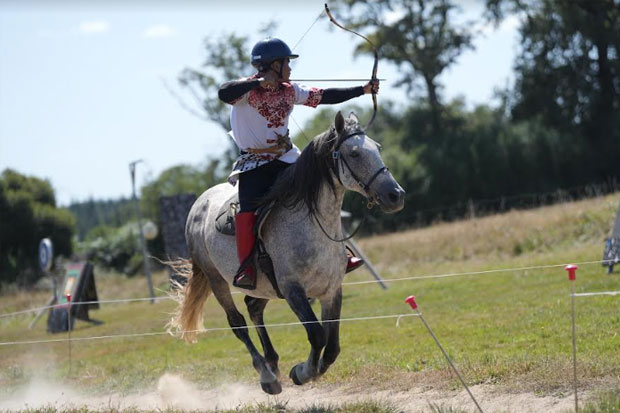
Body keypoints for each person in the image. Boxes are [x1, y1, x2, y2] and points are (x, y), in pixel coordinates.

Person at [218, 37, 379, 290]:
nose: (290, 68)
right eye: (286, 63)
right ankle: (247, 266)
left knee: (319, 192)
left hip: (287, 157)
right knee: (247, 208)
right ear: (272, 65)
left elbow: (325, 96)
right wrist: (260, 81)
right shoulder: (244, 92)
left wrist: (363, 90)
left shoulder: (290, 90)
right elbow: (223, 91)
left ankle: (340, 252)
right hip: (254, 163)